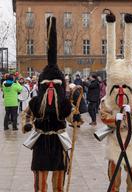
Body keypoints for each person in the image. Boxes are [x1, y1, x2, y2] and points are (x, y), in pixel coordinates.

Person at [22, 16, 72, 192]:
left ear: (60, 85)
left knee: (58, 179)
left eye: (55, 84)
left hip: (59, 140)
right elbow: (27, 114)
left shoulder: (64, 102)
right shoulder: (36, 101)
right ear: (41, 85)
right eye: (47, 84)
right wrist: (27, 124)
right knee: (40, 179)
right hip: (41, 141)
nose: (51, 87)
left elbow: (72, 116)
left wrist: (77, 118)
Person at [100, 12, 132, 192]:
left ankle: (129, 26)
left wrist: (129, 114)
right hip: (114, 140)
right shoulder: (108, 101)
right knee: (113, 179)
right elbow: (104, 116)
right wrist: (116, 117)